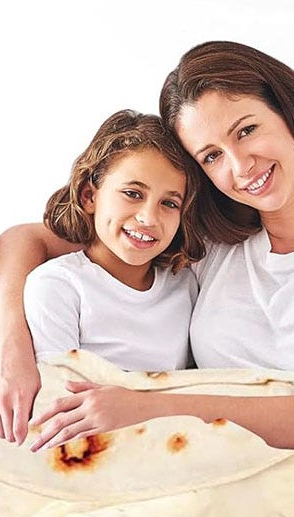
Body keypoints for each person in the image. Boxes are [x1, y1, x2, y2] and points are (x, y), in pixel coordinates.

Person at [0, 41, 294, 464]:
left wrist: (147, 405)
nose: (239, 165)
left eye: (246, 130)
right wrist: (9, 353)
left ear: (291, 113)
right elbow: (27, 240)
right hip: (214, 473)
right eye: (210, 156)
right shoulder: (209, 247)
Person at [22, 109, 202, 377]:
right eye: (132, 193)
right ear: (88, 196)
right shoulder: (58, 285)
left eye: (169, 203)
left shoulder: (183, 285)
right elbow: (57, 389)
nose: (148, 218)